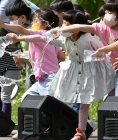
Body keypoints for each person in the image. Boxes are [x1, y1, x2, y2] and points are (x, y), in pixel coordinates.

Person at [12, 10, 115, 140]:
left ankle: (82, 131)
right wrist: (20, 38)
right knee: (62, 97)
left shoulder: (88, 39)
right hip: (71, 72)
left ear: (76, 27)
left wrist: (90, 58)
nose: (62, 27)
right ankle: (65, 126)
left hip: (92, 71)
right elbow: (43, 37)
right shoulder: (64, 38)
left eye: (66, 24)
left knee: (86, 101)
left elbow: (103, 53)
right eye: (63, 23)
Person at [61, 0, 118, 95]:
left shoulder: (88, 39)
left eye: (110, 12)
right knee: (111, 99)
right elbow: (79, 26)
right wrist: (59, 30)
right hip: (111, 69)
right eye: (105, 13)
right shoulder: (103, 28)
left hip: (110, 66)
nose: (106, 16)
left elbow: (101, 53)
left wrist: (105, 49)